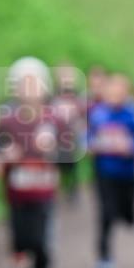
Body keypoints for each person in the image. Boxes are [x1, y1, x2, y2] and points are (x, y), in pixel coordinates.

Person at [0, 57, 62, 268]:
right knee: (21, 241)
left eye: (34, 84)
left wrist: (54, 152)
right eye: (24, 84)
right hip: (17, 194)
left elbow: (72, 157)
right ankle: (25, 257)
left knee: (42, 243)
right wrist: (4, 159)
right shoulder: (6, 121)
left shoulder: (55, 120)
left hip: (44, 192)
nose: (29, 90)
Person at [87, 73, 134, 268]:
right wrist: (91, 145)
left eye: (119, 91)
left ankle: (125, 214)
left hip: (127, 172)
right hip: (104, 172)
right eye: (111, 91)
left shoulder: (133, 113)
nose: (115, 95)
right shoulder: (97, 113)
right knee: (106, 214)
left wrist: (133, 146)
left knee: (129, 216)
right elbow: (86, 135)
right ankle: (104, 258)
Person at [50, 63, 86, 204]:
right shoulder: (52, 95)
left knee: (72, 164)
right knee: (56, 163)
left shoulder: (78, 96)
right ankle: (56, 191)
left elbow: (83, 116)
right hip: (56, 137)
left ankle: (72, 190)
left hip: (72, 136)